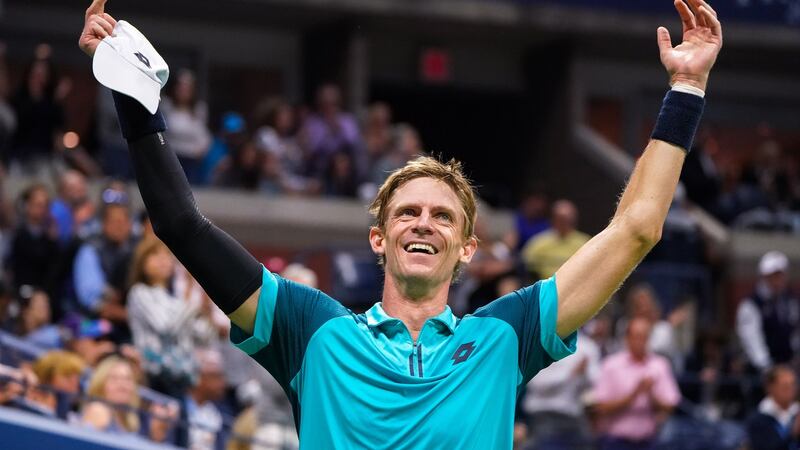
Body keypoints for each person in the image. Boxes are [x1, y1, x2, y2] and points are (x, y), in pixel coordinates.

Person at [78, 0, 722, 447]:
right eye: (407, 212)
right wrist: (136, 107)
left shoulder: (508, 334)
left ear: (468, 248)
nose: (424, 223)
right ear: (379, 238)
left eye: (443, 217)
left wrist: (685, 92)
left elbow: (637, 228)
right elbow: (181, 225)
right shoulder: (310, 329)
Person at [126, 237, 206, 397]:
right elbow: (164, 326)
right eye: (155, 255)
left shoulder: (175, 299)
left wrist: (206, 310)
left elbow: (204, 337)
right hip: (154, 377)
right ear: (142, 262)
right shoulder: (140, 292)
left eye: (167, 255)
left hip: (180, 379)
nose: (163, 260)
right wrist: (190, 302)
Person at [592, 317, 681, 450]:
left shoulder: (660, 365)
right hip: (615, 442)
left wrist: (650, 394)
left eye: (644, 337)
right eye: (637, 336)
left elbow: (670, 405)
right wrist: (633, 395)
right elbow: (601, 407)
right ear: (627, 338)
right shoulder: (611, 365)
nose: (640, 341)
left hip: (648, 441)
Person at [736, 250, 799, 372]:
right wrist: (767, 367)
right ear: (764, 277)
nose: (778, 280)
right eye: (773, 276)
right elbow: (752, 340)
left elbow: (795, 331)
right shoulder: (751, 304)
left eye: (780, 275)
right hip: (762, 370)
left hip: (788, 366)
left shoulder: (790, 301)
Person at [521, 199, 591, 279]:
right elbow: (526, 264)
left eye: (569, 219)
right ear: (553, 219)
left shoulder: (585, 242)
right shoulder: (539, 242)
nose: (565, 222)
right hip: (545, 286)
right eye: (561, 219)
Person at [746, 365, 800, 450]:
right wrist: (793, 433)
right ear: (771, 388)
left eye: (793, 385)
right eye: (785, 387)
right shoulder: (758, 420)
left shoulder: (796, 412)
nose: (791, 390)